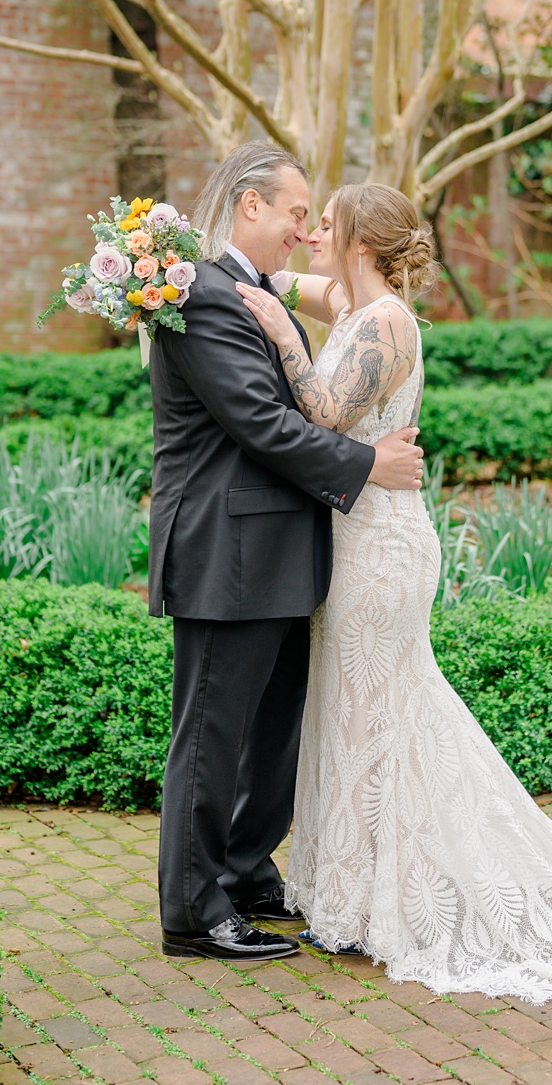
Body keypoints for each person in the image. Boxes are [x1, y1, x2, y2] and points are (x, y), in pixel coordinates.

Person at [231, 183, 552, 1002]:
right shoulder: (352, 298)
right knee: (352, 708)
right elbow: (284, 284)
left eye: (326, 222)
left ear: (361, 243)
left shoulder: (385, 322)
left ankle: (375, 898)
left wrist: (281, 334)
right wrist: (219, 275)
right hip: (352, 539)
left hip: (381, 548)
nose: (312, 232)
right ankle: (351, 888)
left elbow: (321, 412)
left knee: (376, 710)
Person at [148, 143, 426, 963]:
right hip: (226, 553)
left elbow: (333, 300)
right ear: (249, 206)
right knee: (210, 736)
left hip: (275, 553)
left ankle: (239, 871)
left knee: (268, 734)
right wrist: (368, 464)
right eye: (298, 213)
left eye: (319, 220)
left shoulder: (246, 287)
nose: (306, 232)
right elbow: (263, 425)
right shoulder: (201, 294)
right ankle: (194, 912)